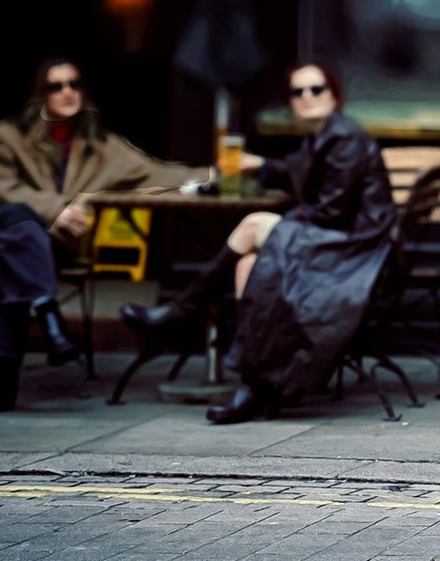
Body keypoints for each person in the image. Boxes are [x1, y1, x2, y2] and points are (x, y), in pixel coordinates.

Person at [121, 63, 398, 425]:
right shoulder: (324, 135)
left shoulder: (345, 137)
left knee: (254, 226)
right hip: (337, 241)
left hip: (356, 249)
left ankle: (181, 312)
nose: (308, 97)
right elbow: (300, 172)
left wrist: (280, 225)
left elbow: (330, 212)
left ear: (334, 95)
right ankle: (256, 386)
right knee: (246, 264)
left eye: (316, 89)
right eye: (298, 92)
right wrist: (263, 166)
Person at [0, 59, 213, 415]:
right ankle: (48, 313)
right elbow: (3, 188)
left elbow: (158, 172)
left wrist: (221, 171)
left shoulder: (100, 146)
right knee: (16, 223)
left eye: (73, 84)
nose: (67, 92)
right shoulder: (3, 138)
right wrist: (56, 209)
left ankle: (3, 379)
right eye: (55, 86)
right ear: (39, 95)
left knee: (9, 253)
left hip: (48, 250)